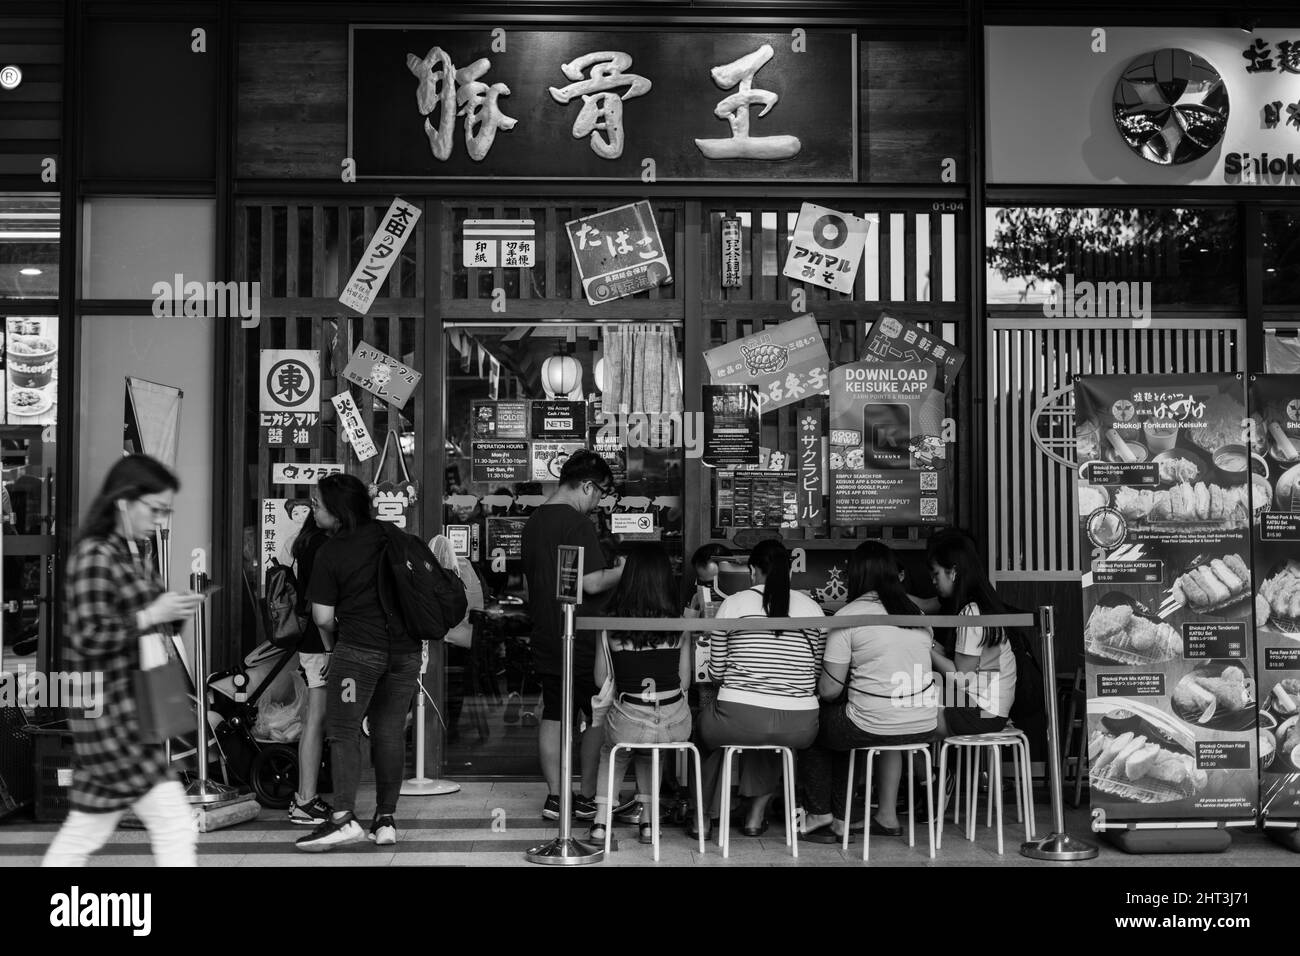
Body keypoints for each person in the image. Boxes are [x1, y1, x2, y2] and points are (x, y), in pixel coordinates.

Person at [42, 455, 204, 866]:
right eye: (154, 509)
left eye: (165, 510)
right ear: (123, 502)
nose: (159, 519)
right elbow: (91, 636)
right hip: (113, 713)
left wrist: (172, 611)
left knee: (87, 827)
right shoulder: (96, 556)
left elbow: (146, 628)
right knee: (173, 821)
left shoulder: (129, 552)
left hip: (122, 712)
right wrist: (153, 614)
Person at [296, 474, 419, 852]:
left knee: (344, 731)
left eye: (317, 504)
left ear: (337, 509)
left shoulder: (332, 550)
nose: (313, 510)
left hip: (359, 654)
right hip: (405, 653)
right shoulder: (394, 536)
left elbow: (321, 617)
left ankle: (343, 818)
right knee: (389, 731)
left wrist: (339, 640)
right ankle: (385, 819)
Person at [799, 542, 938, 843]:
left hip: (872, 723)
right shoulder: (916, 614)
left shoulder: (849, 615)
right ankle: (875, 817)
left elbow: (830, 689)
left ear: (855, 576)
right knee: (854, 722)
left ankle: (822, 813)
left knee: (814, 725)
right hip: (924, 723)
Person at [521, 449, 629, 822]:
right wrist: (624, 570)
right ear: (586, 485)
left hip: (546, 631)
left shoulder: (533, 521)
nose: (599, 501)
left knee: (555, 712)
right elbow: (590, 581)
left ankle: (556, 797)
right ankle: (587, 796)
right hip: (580, 633)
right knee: (597, 714)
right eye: (599, 492)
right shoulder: (577, 523)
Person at [692, 539, 824, 840]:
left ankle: (704, 818)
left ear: (753, 570)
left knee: (704, 730)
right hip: (799, 725)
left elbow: (716, 671)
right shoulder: (812, 607)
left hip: (739, 718)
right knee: (770, 728)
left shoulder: (733, 604)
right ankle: (755, 816)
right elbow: (815, 672)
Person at [586, 543, 693, 845]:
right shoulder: (681, 623)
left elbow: (600, 679)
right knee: (651, 745)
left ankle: (599, 823)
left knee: (614, 748)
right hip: (675, 723)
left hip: (629, 719)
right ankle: (648, 822)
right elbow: (684, 681)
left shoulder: (610, 626)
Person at [927, 529, 1017, 737]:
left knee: (899, 708)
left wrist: (925, 647)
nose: (933, 581)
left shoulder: (971, 613)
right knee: (907, 702)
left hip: (978, 713)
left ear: (953, 572)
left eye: (936, 573)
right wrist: (928, 642)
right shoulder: (981, 607)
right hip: (990, 711)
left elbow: (961, 678)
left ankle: (930, 771)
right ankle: (934, 771)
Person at [286, 507, 334, 826]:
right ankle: (305, 800)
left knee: (315, 719)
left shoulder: (309, 542)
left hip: (315, 642)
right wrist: (330, 648)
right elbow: (321, 607)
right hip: (320, 642)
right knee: (315, 719)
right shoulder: (320, 546)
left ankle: (305, 798)